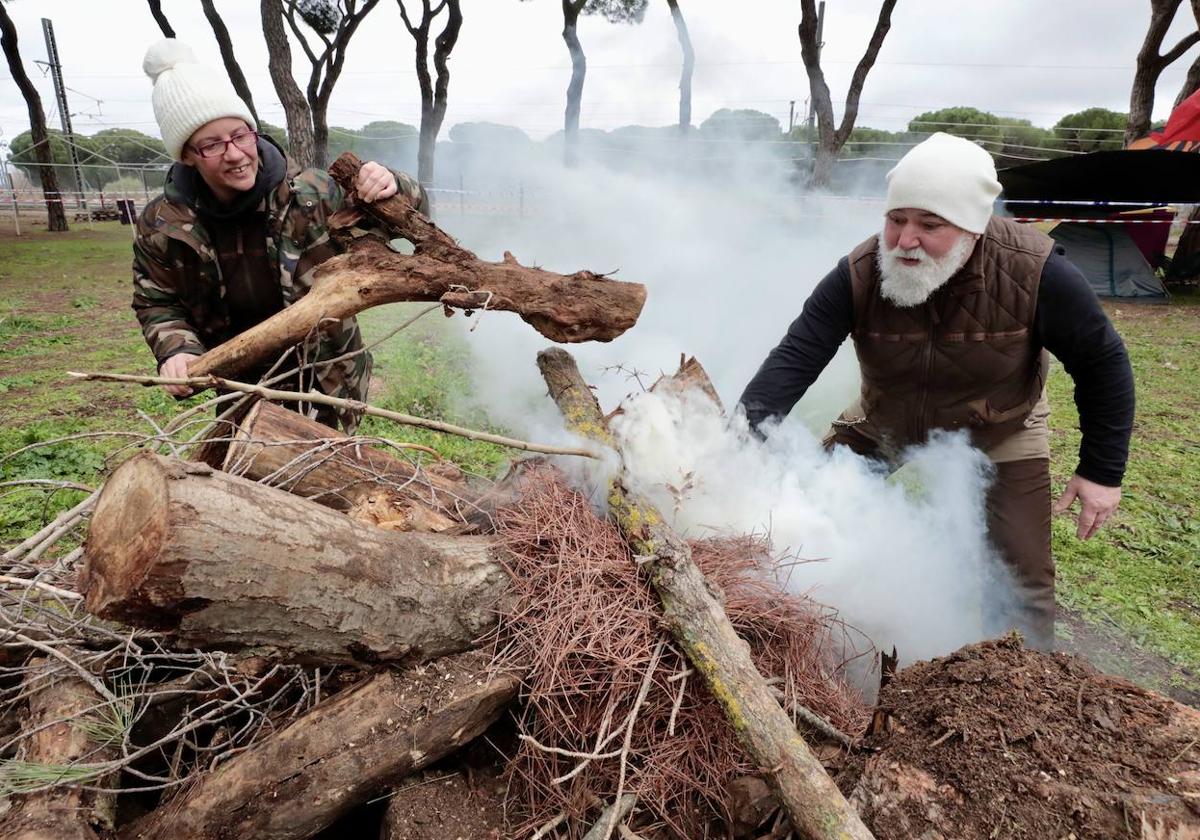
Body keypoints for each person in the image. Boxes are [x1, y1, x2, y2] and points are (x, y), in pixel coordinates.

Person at [738, 132, 1135, 651]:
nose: (905, 240)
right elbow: (796, 357)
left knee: (1020, 573)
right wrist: (737, 442)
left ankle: (1022, 691)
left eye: (929, 225)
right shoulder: (859, 272)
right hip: (887, 417)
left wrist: (1102, 472)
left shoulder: (1037, 273)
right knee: (800, 521)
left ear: (973, 229)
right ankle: (807, 645)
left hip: (1003, 422)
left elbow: (1103, 363)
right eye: (896, 219)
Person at [132, 39, 429, 431]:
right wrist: (176, 349)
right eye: (212, 144)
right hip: (240, 384)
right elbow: (157, 303)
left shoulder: (315, 193)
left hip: (328, 379)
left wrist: (394, 184)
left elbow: (411, 220)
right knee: (250, 481)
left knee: (337, 483)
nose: (235, 153)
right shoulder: (162, 223)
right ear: (186, 154)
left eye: (240, 135)